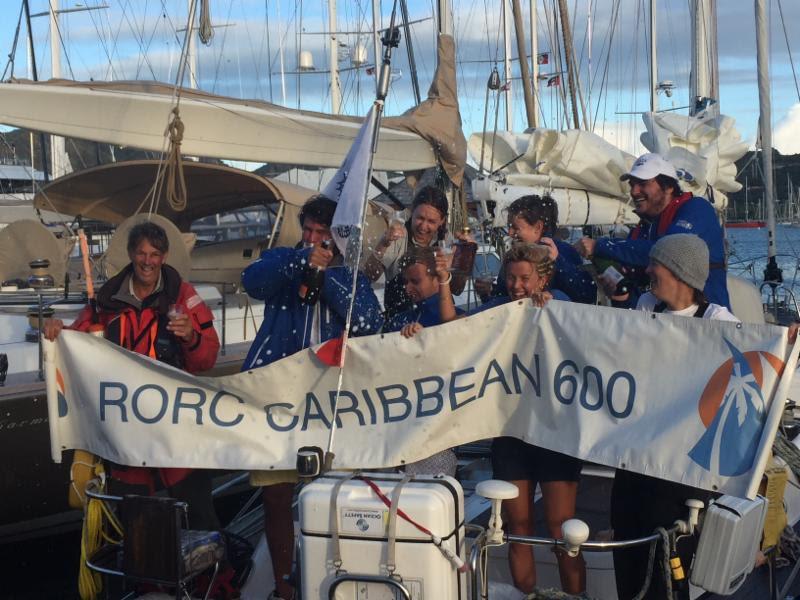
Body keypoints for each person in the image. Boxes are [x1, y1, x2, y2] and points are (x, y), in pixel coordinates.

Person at [406, 243, 585, 596]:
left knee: (561, 529)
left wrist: (552, 304)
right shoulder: (500, 306)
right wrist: (443, 283)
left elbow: (579, 321)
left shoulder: (558, 299)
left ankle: (576, 596)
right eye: (511, 277)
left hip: (555, 433)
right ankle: (526, 596)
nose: (517, 286)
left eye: (524, 278)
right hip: (511, 431)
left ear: (543, 277)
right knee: (516, 526)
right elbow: (452, 323)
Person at [241, 194, 383, 600]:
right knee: (276, 494)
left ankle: (336, 579)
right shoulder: (284, 258)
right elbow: (253, 281)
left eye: (323, 233)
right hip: (276, 397)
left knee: (335, 493)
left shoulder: (348, 275)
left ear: (338, 239)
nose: (313, 238)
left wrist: (326, 276)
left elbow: (369, 322)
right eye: (309, 230)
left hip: (328, 403)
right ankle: (285, 586)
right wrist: (301, 262)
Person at [43, 221, 221, 530]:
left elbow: (207, 358)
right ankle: (141, 577)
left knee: (199, 517)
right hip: (126, 433)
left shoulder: (184, 298)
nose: (147, 261)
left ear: (164, 257)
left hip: (176, 430)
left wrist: (191, 336)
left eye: (154, 254)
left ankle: (211, 577)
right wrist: (57, 333)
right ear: (130, 254)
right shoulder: (107, 302)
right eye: (141, 253)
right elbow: (74, 344)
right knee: (135, 526)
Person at [611, 234, 736, 600]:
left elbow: (753, 365)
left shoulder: (719, 321)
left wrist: (786, 343)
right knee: (629, 543)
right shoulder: (647, 307)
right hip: (635, 457)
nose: (648, 270)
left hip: (680, 467)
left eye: (656, 265)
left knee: (671, 556)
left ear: (680, 273)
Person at [574, 152, 730, 309]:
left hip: (706, 322)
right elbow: (635, 288)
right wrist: (620, 295)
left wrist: (600, 246)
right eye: (632, 184)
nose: (634, 191)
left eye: (642, 183)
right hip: (660, 321)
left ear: (668, 187)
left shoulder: (697, 208)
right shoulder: (644, 228)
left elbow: (667, 253)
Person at [475, 194, 597, 305]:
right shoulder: (515, 257)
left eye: (515, 228)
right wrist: (487, 293)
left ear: (538, 227)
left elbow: (587, 295)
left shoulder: (564, 251)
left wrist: (558, 261)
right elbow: (504, 300)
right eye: (509, 227)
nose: (510, 233)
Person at [363, 185, 450, 318]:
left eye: (431, 221)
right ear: (411, 212)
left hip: (439, 315)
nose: (423, 226)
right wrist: (383, 244)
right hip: (401, 317)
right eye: (420, 218)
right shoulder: (398, 236)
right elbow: (369, 276)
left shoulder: (447, 242)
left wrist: (467, 254)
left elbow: (457, 288)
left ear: (442, 221)